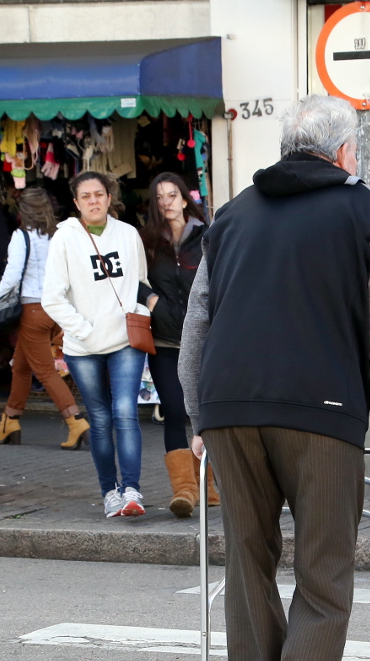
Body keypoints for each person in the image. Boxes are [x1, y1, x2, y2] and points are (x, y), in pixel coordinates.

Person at [179, 95, 370, 661]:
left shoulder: (231, 216)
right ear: (344, 152)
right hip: (322, 407)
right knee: (324, 572)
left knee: (247, 562)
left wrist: (199, 415)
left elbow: (198, 323)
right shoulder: (366, 208)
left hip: (229, 406)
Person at [41, 171, 151, 518]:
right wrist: (84, 330)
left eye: (99, 194)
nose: (93, 201)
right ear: (76, 203)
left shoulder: (128, 234)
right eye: (86, 196)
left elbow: (140, 282)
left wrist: (138, 312)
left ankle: (131, 490)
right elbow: (52, 298)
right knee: (101, 419)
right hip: (83, 346)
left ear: (109, 197)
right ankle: (109, 492)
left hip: (125, 341)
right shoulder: (64, 239)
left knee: (125, 412)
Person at [0, 189, 91, 449]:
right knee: (21, 367)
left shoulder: (21, 236)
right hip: (55, 310)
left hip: (33, 310)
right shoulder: (57, 236)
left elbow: (13, 273)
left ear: (22, 211)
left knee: (45, 371)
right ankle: (9, 420)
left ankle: (76, 421)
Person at [140, 172, 216, 518]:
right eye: (159, 197)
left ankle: (209, 485)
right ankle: (184, 490)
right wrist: (152, 299)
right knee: (173, 409)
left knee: (208, 411)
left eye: (172, 195)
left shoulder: (206, 236)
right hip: (165, 340)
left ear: (185, 199)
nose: (166, 202)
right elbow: (131, 279)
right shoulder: (147, 241)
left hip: (204, 340)